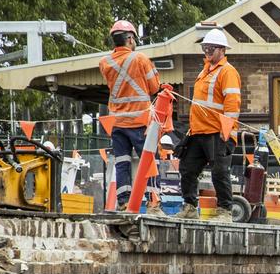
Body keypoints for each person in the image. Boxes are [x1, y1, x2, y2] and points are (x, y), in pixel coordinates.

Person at [98, 19, 164, 215]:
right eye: (133, 38)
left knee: (122, 161)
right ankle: (153, 203)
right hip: (139, 121)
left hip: (117, 122)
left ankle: (123, 202)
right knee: (150, 160)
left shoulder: (105, 63)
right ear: (129, 39)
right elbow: (154, 87)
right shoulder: (140, 59)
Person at [177, 28, 240, 222]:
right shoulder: (205, 71)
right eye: (205, 48)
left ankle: (225, 211)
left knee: (220, 172)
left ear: (222, 50)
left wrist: (226, 132)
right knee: (187, 168)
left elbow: (232, 103)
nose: (207, 52)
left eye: (210, 48)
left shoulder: (227, 72)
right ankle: (189, 207)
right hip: (198, 131)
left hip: (217, 132)